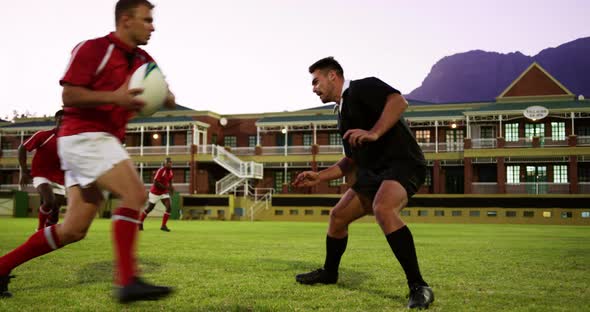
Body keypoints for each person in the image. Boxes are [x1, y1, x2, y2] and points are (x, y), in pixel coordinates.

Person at [0, 0, 175, 303]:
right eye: (146, 20)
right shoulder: (93, 49)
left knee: (73, 230)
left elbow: (162, 91)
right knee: (134, 194)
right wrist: (116, 97)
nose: (152, 26)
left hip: (100, 141)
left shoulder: (143, 58)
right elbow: (70, 94)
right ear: (125, 20)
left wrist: (164, 97)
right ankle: (126, 281)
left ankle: (1, 267)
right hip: (83, 136)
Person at [292, 57, 434, 309]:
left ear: (333, 76)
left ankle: (419, 286)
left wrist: (374, 132)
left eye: (316, 81)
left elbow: (398, 101)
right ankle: (330, 272)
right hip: (373, 172)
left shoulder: (362, 87)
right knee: (337, 217)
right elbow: (351, 160)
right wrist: (320, 176)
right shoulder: (342, 112)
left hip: (403, 163)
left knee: (383, 207)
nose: (313, 88)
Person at [18, 110, 66, 231]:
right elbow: (22, 148)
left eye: (65, 118)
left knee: (55, 212)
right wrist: (24, 171)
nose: (62, 120)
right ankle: (39, 230)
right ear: (56, 120)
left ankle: (49, 229)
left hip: (61, 177)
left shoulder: (71, 140)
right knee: (49, 201)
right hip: (41, 174)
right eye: (59, 118)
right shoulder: (43, 135)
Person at [139, 157, 174, 232]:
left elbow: (170, 181)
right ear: (165, 164)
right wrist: (166, 188)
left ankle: (163, 226)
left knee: (169, 207)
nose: (170, 164)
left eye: (171, 162)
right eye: (168, 163)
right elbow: (155, 182)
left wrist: (171, 188)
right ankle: (140, 222)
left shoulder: (171, 171)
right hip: (155, 193)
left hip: (164, 193)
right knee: (149, 209)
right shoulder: (161, 170)